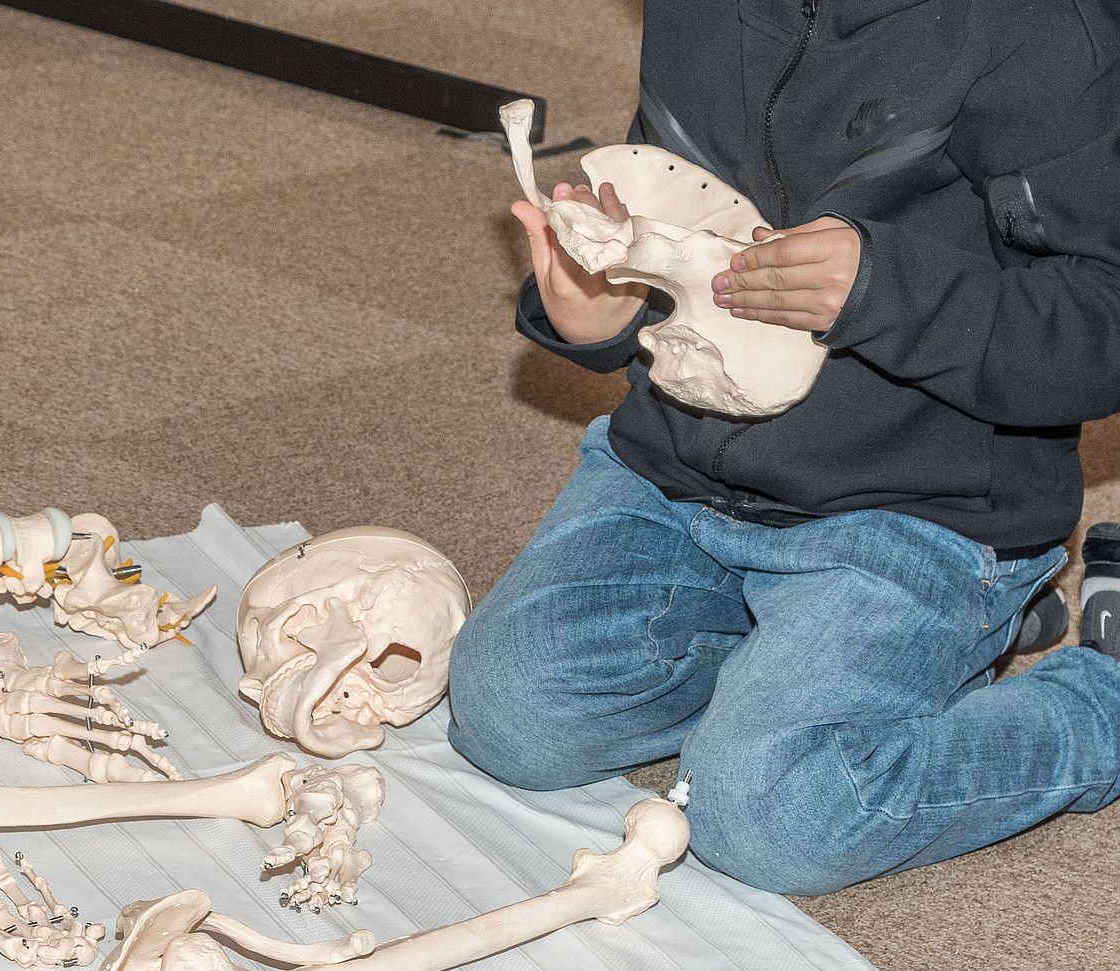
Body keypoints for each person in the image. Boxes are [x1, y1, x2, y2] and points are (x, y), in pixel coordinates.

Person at [449, 0, 1120, 895]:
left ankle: (1090, 697)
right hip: (677, 468)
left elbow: (1101, 328)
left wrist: (888, 291)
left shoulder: (1042, 30)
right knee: (507, 714)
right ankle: (900, 656)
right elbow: (674, 214)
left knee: (771, 816)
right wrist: (596, 305)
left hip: (918, 504)